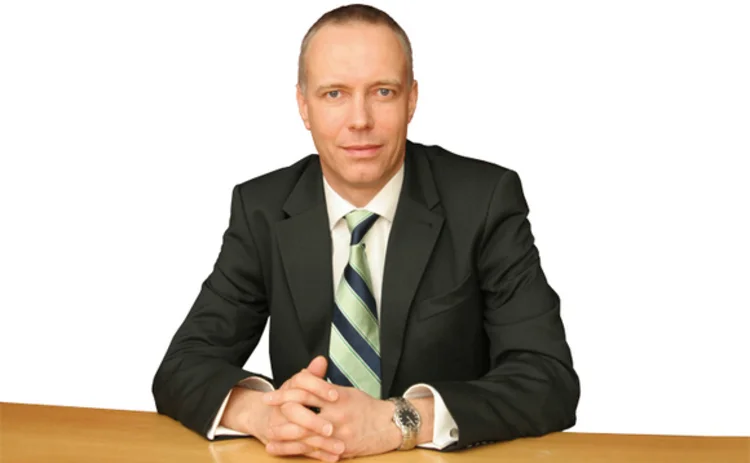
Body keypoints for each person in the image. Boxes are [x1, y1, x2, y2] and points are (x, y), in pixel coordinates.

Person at [152, 3, 579, 461]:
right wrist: (263, 413)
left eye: (383, 91)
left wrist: (400, 420)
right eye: (334, 93)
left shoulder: (485, 201)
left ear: (412, 99)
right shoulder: (262, 209)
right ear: (303, 106)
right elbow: (181, 367)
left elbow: (548, 379)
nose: (360, 120)